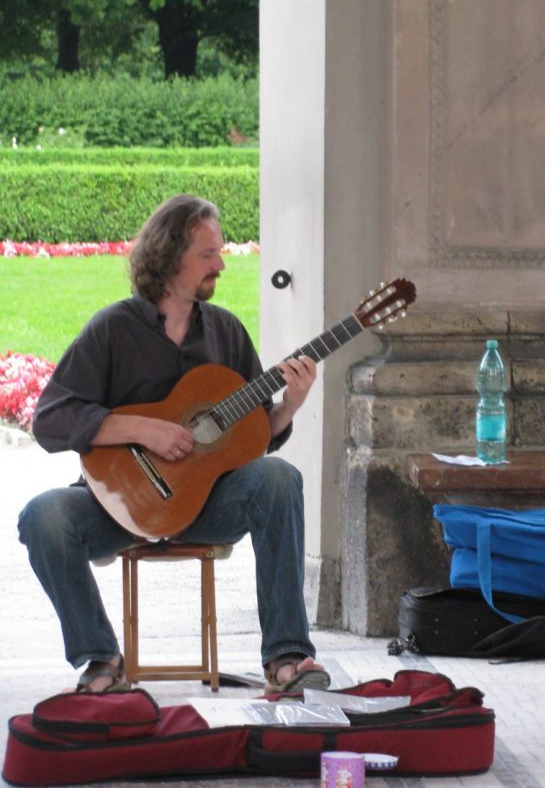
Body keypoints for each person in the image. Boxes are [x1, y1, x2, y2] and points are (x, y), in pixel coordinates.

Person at [18, 194, 330, 695]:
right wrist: (143, 429)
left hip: (206, 503)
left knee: (279, 479)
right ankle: (101, 659)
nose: (221, 264)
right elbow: (52, 418)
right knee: (43, 515)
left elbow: (250, 439)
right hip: (116, 504)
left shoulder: (225, 331)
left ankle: (288, 657)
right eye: (208, 255)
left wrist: (290, 403)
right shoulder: (113, 330)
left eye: (220, 252)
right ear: (168, 257)